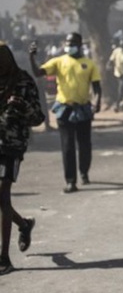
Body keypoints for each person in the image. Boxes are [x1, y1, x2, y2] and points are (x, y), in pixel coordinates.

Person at [29, 33, 101, 193]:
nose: (69, 46)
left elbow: (96, 87)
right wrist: (32, 58)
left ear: (80, 44)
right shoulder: (59, 61)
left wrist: (97, 102)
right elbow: (38, 72)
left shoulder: (89, 64)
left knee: (84, 144)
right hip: (64, 108)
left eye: (73, 43)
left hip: (83, 108)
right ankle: (70, 181)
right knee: (67, 146)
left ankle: (84, 172)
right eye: (67, 43)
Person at [0, 44, 44, 275]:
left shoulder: (23, 82)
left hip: (10, 147)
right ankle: (24, 224)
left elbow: (38, 117)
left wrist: (21, 105)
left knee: (2, 194)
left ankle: (4, 257)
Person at [106, 39, 123, 111]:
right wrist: (109, 65)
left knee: (121, 88)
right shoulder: (116, 51)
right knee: (120, 89)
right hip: (117, 73)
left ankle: (117, 105)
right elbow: (111, 59)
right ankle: (122, 100)